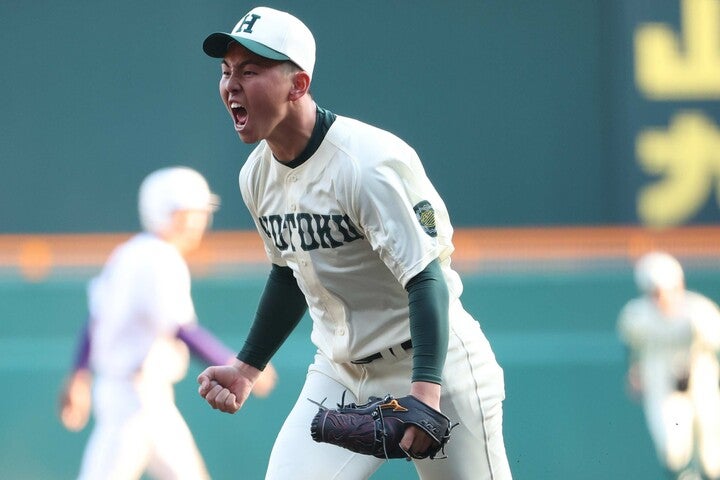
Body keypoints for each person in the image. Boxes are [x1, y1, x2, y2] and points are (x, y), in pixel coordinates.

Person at [195, 7, 511, 479]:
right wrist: (247, 368)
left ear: (297, 86)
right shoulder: (256, 175)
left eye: (251, 71)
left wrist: (426, 391)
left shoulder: (366, 163)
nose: (231, 85)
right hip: (340, 373)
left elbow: (426, 278)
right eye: (226, 72)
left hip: (432, 363)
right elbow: (289, 273)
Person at [58, 166, 278, 480]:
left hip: (139, 394)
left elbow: (94, 319)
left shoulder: (128, 252)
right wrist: (237, 365)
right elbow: (181, 330)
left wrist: (79, 375)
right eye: (195, 212)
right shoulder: (161, 258)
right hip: (133, 397)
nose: (202, 220)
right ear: (173, 214)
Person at [617, 251, 720, 480]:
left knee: (710, 457)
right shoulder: (637, 317)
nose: (662, 298)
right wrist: (635, 372)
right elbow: (631, 347)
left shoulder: (699, 312)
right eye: (655, 292)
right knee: (673, 449)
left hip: (702, 381)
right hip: (661, 383)